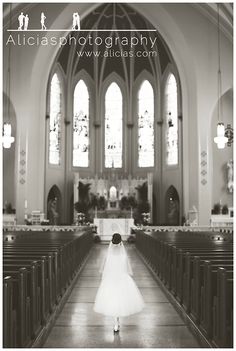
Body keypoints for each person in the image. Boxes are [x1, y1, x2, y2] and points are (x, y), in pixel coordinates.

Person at [94, 233, 144, 332]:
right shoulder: (123, 256)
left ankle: (116, 323)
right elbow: (126, 270)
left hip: (111, 280)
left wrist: (104, 281)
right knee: (120, 300)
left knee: (113, 301)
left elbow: (105, 270)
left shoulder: (108, 256)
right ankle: (117, 322)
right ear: (121, 242)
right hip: (122, 279)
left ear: (111, 242)